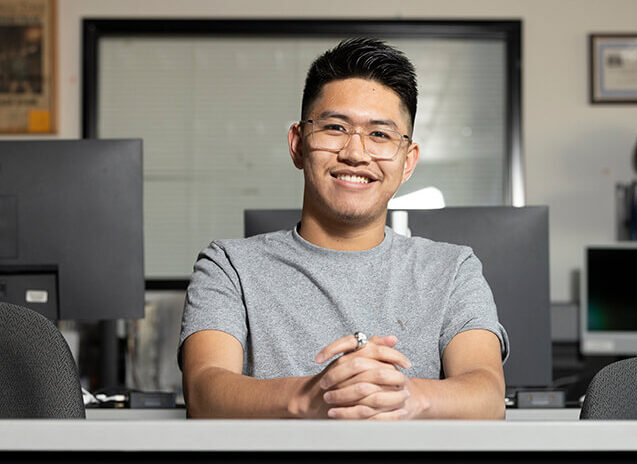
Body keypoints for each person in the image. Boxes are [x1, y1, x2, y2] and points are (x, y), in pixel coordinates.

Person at [179, 38, 508, 420]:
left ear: (407, 161)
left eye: (380, 134)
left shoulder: (452, 270)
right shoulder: (229, 266)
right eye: (335, 127)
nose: (355, 153)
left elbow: (488, 394)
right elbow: (203, 391)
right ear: (298, 144)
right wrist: (313, 395)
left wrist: (404, 396)